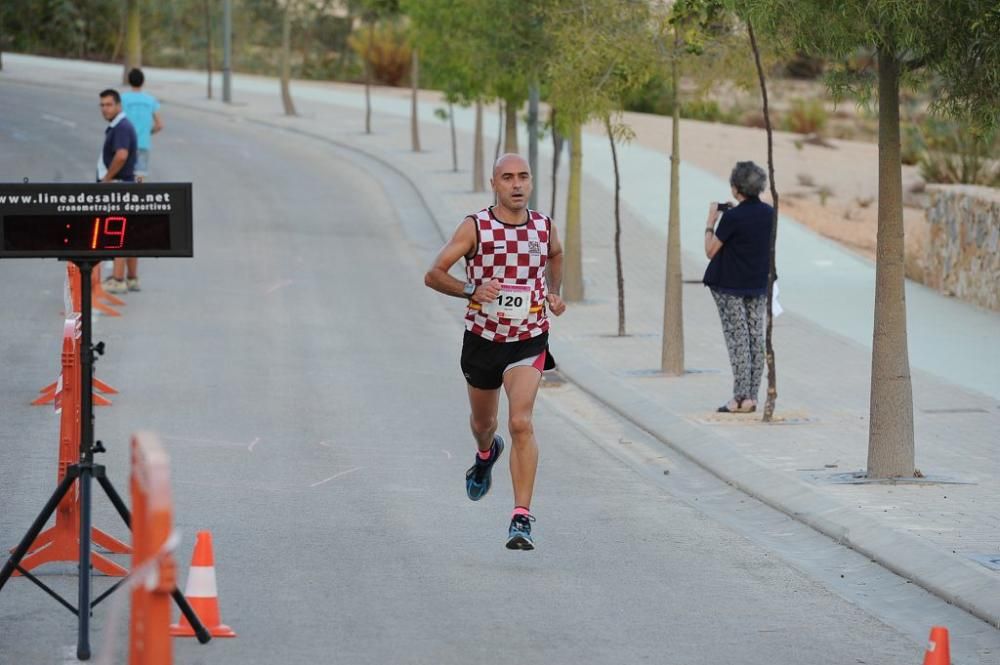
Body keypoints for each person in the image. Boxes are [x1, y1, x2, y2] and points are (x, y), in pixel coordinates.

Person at [424, 153, 566, 550]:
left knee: (521, 422)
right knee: (484, 423)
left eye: (523, 177)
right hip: (483, 341)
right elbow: (433, 274)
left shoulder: (543, 226)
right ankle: (486, 454)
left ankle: (521, 518)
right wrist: (472, 289)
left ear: (531, 182)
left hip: (529, 339)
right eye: (508, 178)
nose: (517, 185)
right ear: (494, 183)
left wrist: (555, 292)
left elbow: (556, 253)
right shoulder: (476, 228)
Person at [702, 160, 774, 413]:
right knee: (756, 338)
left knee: (738, 340)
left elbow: (710, 251)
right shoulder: (769, 213)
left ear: (736, 188)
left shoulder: (732, 218)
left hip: (729, 286)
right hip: (758, 284)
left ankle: (739, 398)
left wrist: (712, 220)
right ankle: (752, 397)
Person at [108, 68, 162, 294]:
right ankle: (137, 195)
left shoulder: (124, 99)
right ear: (144, 81)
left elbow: (118, 120)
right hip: (143, 148)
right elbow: (159, 124)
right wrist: (147, 133)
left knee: (124, 190)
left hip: (126, 146)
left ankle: (120, 277)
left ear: (129, 81)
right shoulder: (151, 101)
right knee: (139, 182)